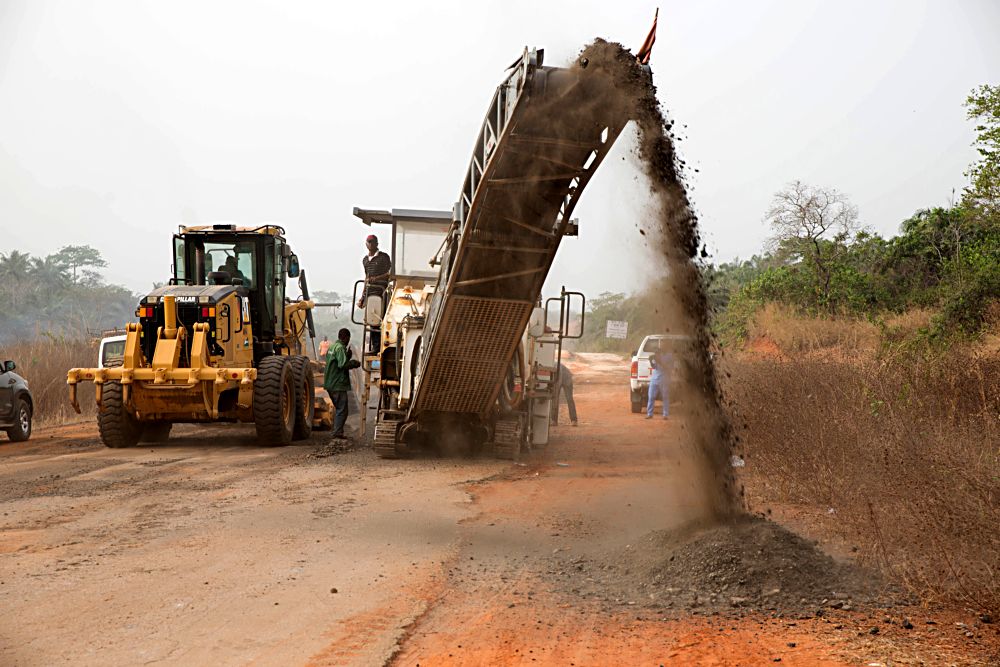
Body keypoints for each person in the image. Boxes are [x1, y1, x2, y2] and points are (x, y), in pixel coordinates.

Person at [324, 328, 361, 439]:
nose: (348, 341)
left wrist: (347, 356)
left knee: (339, 408)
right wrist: (354, 363)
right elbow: (342, 365)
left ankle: (337, 430)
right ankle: (337, 432)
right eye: (348, 339)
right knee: (342, 409)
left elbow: (336, 362)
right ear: (346, 337)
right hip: (337, 383)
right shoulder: (340, 348)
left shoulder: (332, 347)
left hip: (330, 383)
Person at [357, 235, 392, 352]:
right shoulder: (365, 260)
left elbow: (389, 273)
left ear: (377, 243)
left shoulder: (384, 257)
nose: (371, 244)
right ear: (366, 244)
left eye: (373, 242)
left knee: (382, 318)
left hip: (382, 291)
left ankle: (384, 345)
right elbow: (366, 278)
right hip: (370, 292)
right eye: (369, 242)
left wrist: (376, 278)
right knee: (372, 319)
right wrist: (362, 297)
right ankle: (375, 346)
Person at [646, 340, 673, 420]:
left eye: (663, 345)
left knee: (665, 397)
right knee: (651, 396)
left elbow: (669, 368)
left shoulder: (670, 356)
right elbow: (654, 367)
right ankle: (649, 414)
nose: (661, 346)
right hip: (654, 378)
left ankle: (665, 414)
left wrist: (660, 361)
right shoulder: (658, 354)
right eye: (660, 345)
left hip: (664, 379)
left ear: (667, 347)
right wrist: (651, 361)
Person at [550, 362, 578, 426]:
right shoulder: (551, 366)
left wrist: (555, 392)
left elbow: (559, 381)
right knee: (555, 399)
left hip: (567, 379)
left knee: (569, 399)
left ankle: (574, 420)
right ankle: (554, 420)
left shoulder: (556, 367)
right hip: (559, 378)